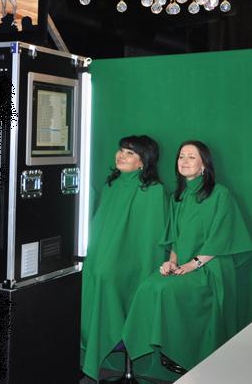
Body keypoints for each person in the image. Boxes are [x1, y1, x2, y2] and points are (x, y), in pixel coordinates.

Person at [121, 140, 252, 375]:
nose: (184, 161)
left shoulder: (220, 194)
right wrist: (172, 262)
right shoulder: (178, 197)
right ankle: (161, 350)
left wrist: (195, 263)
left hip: (211, 267)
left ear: (204, 164)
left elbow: (222, 237)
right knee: (147, 287)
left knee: (165, 291)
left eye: (191, 157)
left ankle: (184, 354)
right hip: (182, 265)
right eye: (181, 156)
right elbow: (175, 239)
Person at [80, 135, 167, 381]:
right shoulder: (112, 186)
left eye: (130, 153)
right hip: (102, 258)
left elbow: (149, 241)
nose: (121, 155)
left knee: (105, 278)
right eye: (121, 150)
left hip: (134, 265)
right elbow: (100, 229)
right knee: (90, 277)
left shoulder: (153, 191)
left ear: (143, 161)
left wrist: (117, 265)